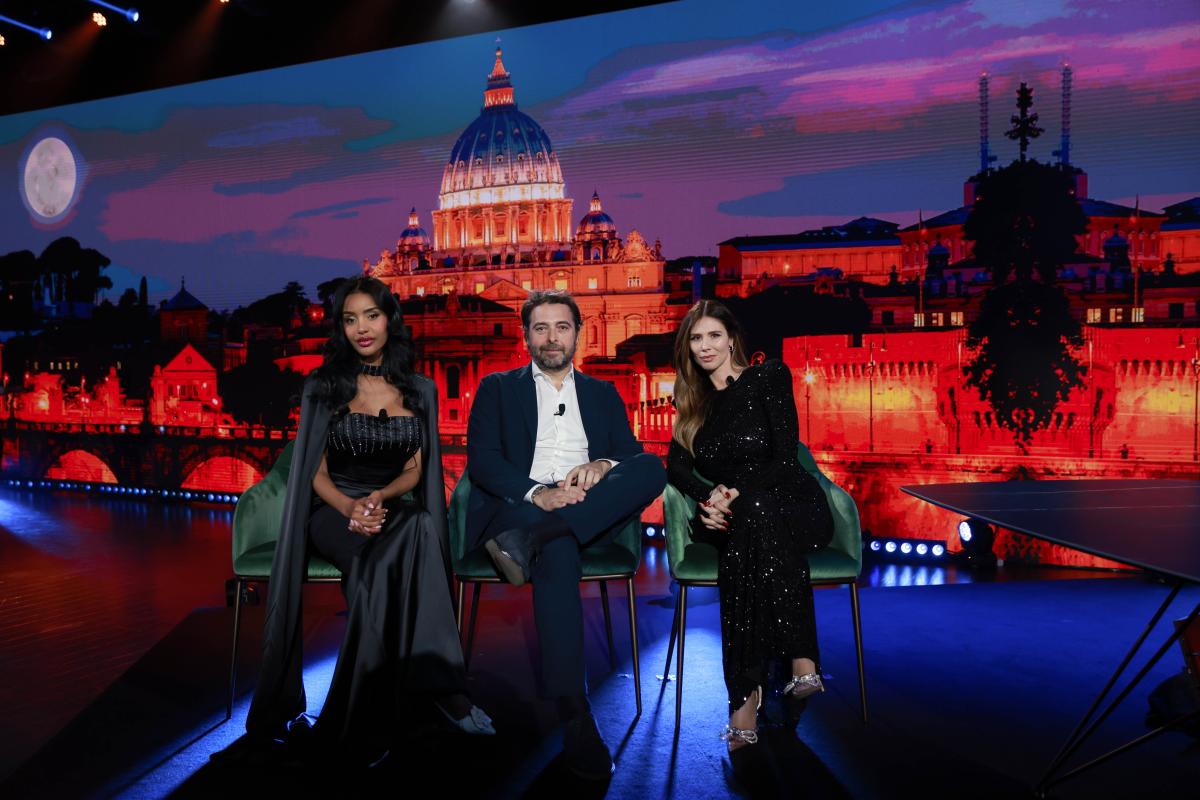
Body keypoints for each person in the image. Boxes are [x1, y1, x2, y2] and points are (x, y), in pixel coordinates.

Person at [235, 276, 492, 766]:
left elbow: (416, 469)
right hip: (332, 507)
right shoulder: (324, 386)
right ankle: (418, 699)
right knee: (381, 558)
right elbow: (313, 472)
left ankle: (413, 696)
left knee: (419, 526)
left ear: (389, 320)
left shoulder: (419, 389)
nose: (362, 328)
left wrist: (380, 496)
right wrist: (350, 507)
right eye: (350, 319)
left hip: (385, 501)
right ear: (341, 327)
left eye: (371, 316)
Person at [465, 290, 666, 780]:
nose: (551, 337)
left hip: (586, 505)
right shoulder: (496, 388)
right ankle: (576, 714)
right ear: (526, 336)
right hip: (523, 507)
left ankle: (536, 540)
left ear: (578, 333)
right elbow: (484, 462)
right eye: (541, 328)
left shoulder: (602, 393)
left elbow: (629, 454)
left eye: (561, 327)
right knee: (558, 551)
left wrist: (603, 465)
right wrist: (539, 494)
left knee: (650, 466)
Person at [665, 299, 834, 754]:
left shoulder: (768, 377)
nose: (705, 346)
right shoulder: (693, 404)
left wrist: (734, 494)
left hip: (794, 505)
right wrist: (707, 497)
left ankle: (743, 700)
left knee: (754, 513)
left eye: (713, 335)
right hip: (738, 517)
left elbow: (784, 458)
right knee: (750, 527)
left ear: (732, 339)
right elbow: (676, 468)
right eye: (695, 338)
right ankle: (801, 661)